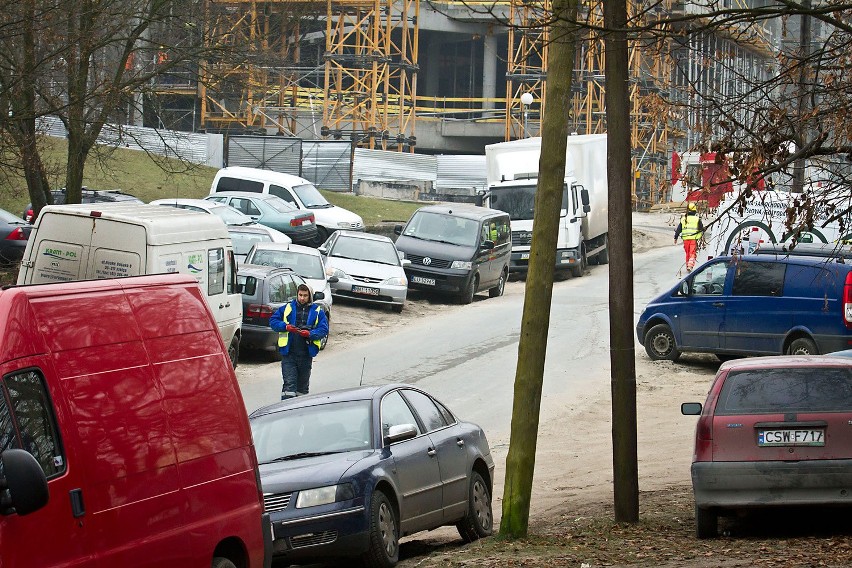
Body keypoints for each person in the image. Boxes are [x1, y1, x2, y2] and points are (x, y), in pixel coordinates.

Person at [269, 283, 329, 400]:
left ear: (310, 296)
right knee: (289, 387)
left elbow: (323, 329)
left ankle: (300, 414)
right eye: (300, 295)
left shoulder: (317, 311)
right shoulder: (288, 308)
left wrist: (310, 334)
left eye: (305, 295)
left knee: (302, 389)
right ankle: (285, 412)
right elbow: (273, 321)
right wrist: (285, 327)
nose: (302, 298)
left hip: (306, 355)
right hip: (289, 354)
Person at [674, 202, 705, 271]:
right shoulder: (697, 219)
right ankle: (690, 266)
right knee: (692, 253)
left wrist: (675, 237)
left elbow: (679, 229)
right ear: (695, 211)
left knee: (687, 253)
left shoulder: (683, 219)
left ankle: (688, 265)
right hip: (693, 239)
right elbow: (701, 229)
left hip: (685, 239)